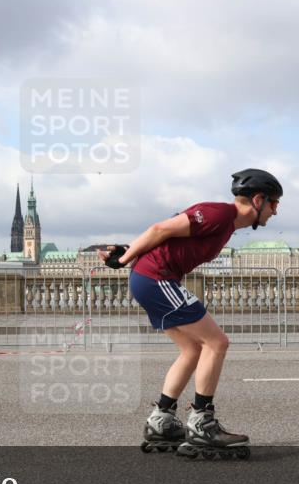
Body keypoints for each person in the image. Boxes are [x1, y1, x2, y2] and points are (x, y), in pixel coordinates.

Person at [98, 169, 282, 455]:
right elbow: (161, 229)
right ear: (258, 200)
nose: (276, 212)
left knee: (193, 349)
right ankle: (202, 424)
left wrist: (129, 249)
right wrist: (123, 258)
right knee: (217, 342)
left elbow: (168, 237)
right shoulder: (219, 214)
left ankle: (162, 420)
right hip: (156, 278)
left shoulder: (227, 224)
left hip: (152, 278)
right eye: (274, 204)